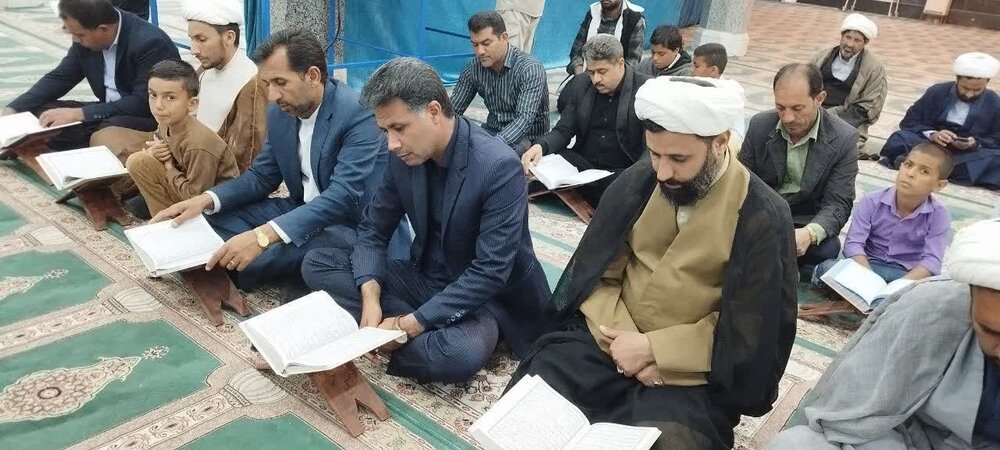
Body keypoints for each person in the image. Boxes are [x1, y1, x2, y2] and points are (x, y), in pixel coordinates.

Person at [508, 76, 797, 449]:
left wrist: (655, 350)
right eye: (655, 154)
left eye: (678, 159)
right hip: (608, 338)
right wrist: (623, 343)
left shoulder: (761, 215)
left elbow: (749, 328)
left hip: (692, 370)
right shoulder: (640, 181)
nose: (662, 172)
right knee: (537, 389)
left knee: (672, 442)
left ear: (720, 142)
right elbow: (598, 277)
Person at [300, 58, 551, 383]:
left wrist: (409, 325)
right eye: (385, 131)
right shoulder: (402, 156)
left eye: (399, 128)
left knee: (459, 355)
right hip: (425, 277)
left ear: (433, 111)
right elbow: (373, 230)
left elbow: (490, 272)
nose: (391, 143)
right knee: (317, 263)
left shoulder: (498, 167)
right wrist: (370, 298)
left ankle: (402, 329)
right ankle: (400, 326)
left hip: (481, 298)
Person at [150, 28, 383, 292]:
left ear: (312, 76)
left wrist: (262, 237)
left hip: (349, 224)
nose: (272, 95)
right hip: (298, 207)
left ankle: (259, 267)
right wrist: (205, 199)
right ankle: (260, 263)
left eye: (281, 83)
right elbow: (262, 177)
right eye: (268, 84)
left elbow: (341, 197)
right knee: (209, 220)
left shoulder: (357, 115)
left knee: (255, 256)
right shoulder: (280, 111)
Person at [768, 219, 1000, 449]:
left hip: (906, 273)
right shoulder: (931, 309)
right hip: (919, 441)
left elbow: (930, 260)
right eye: (991, 331)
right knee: (796, 444)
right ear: (970, 303)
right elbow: (856, 413)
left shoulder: (934, 216)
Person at [93, 0, 267, 171]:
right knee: (104, 138)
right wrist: (161, 143)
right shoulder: (206, 69)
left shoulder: (251, 84)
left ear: (229, 37)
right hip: (177, 143)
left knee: (133, 162)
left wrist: (169, 161)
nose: (194, 50)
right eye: (192, 39)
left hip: (202, 163)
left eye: (201, 39)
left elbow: (244, 158)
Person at [1, 0, 178, 150]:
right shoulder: (87, 37)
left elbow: (143, 103)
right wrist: (14, 109)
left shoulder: (150, 43)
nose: (75, 40)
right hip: (108, 109)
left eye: (79, 35)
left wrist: (81, 114)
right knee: (42, 113)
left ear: (103, 29)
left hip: (146, 117)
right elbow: (61, 77)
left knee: (106, 130)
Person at [740, 63, 859, 277]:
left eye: (797, 108)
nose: (787, 118)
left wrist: (808, 234)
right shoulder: (760, 126)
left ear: (819, 99)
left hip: (804, 220)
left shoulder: (843, 139)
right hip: (763, 214)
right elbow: (741, 183)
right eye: (780, 107)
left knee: (827, 249)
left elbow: (838, 203)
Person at [520, 35, 650, 207]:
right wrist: (540, 146)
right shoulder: (582, 83)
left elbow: (650, 148)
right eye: (591, 72)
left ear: (620, 63)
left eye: (602, 72)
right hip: (582, 164)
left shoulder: (645, 89)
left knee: (631, 190)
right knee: (537, 167)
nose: (596, 79)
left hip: (623, 168)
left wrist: (637, 176)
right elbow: (563, 130)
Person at [812, 142, 952, 295]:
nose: (911, 173)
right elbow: (853, 244)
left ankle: (869, 296)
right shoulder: (872, 201)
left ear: (939, 185)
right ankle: (880, 298)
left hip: (906, 273)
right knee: (827, 269)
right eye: (908, 164)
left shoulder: (939, 214)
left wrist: (900, 286)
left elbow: (931, 261)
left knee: (938, 292)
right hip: (867, 266)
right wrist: (869, 277)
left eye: (924, 171)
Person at [125, 60, 238, 218]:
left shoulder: (199, 143)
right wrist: (154, 153)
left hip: (213, 207)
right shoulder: (167, 122)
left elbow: (196, 198)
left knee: (137, 161)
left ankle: (172, 222)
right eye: (153, 95)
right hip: (184, 186)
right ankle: (164, 218)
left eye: (170, 97)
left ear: (192, 104)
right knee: (139, 161)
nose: (158, 105)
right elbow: (161, 145)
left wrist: (169, 167)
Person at [880, 52, 1000, 189]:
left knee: (996, 160)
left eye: (977, 90)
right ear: (957, 80)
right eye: (965, 88)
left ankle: (915, 164)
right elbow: (910, 121)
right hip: (929, 145)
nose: (969, 94)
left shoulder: (994, 102)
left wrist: (974, 143)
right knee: (900, 138)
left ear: (987, 83)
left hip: (964, 154)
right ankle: (941, 170)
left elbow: (996, 138)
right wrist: (933, 134)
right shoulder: (937, 92)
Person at [451, 11, 548, 154]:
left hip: (528, 138)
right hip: (491, 131)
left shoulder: (530, 69)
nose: (480, 51)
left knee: (498, 155)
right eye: (475, 45)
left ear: (504, 37)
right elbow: (452, 111)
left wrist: (491, 146)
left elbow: (524, 120)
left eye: (486, 43)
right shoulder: (473, 68)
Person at [809, 13, 887, 152]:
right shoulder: (822, 56)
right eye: (847, 37)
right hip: (812, 109)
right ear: (841, 36)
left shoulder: (874, 68)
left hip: (845, 117)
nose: (850, 44)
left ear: (865, 43)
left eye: (857, 40)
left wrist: (829, 115)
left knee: (838, 146)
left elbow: (868, 106)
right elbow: (804, 83)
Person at [567, 0, 645, 75]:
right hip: (587, 74)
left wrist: (605, 77)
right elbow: (576, 52)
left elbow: (633, 62)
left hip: (617, 78)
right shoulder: (593, 13)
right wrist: (580, 75)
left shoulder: (634, 19)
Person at [690, 42, 747, 143]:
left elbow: (736, 135)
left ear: (713, 70)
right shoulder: (693, 86)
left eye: (696, 66)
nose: (692, 70)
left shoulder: (730, 94)